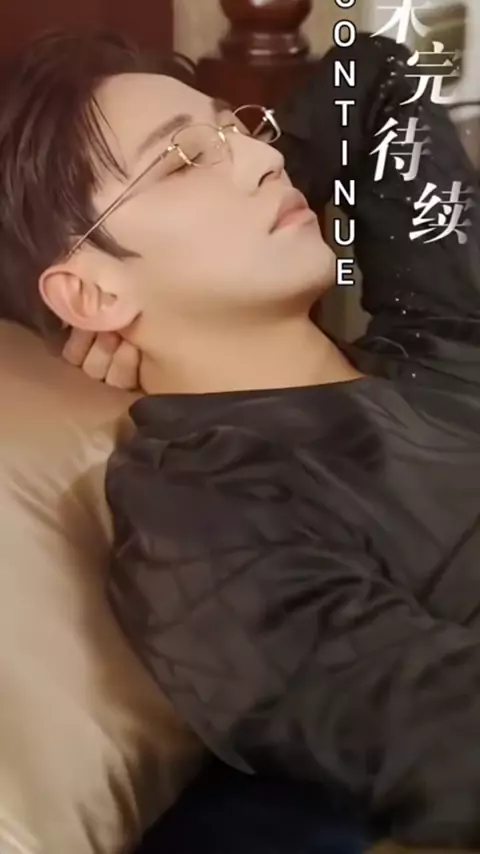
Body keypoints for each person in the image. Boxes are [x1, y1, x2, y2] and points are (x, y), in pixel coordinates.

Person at [1, 26, 480, 849]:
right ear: (88, 293)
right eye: (182, 161)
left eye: (240, 127)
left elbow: (375, 76)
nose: (263, 160)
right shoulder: (207, 512)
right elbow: (448, 739)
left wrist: (226, 198)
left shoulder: (439, 336)